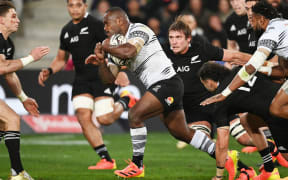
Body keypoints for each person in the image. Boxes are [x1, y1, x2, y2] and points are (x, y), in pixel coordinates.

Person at [85, 7, 244, 180]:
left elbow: (129, 51)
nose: (104, 28)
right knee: (181, 132)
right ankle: (229, 159)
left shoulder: (139, 30)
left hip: (168, 83)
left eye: (106, 23)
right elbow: (108, 79)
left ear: (119, 21)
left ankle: (137, 165)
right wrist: (101, 61)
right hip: (161, 86)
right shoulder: (115, 42)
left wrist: (107, 48)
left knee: (134, 115)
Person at [38, 0, 131, 170]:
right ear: (67, 7)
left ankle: (125, 100)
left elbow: (117, 47)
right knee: (83, 116)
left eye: (78, 5)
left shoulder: (96, 25)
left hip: (101, 76)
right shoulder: (66, 31)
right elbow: (61, 59)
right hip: (81, 79)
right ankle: (106, 160)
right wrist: (49, 71)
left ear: (85, 6)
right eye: (71, 5)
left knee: (104, 119)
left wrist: (122, 70)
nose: (74, 9)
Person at [165, 20, 258, 180]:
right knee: (205, 143)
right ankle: (245, 170)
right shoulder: (164, 54)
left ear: (188, 39)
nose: (173, 41)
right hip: (193, 111)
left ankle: (274, 149)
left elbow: (233, 55)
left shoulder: (201, 48)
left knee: (245, 139)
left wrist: (263, 62)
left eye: (178, 37)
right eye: (171, 37)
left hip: (216, 103)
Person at [198, 62, 288, 179]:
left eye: (203, 84)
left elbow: (222, 144)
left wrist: (219, 176)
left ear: (209, 82)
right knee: (247, 120)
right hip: (284, 96)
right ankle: (269, 168)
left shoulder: (220, 103)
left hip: (278, 115)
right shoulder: (241, 70)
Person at [200, 2, 288, 121]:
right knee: (277, 107)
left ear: (262, 19)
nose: (250, 23)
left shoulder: (268, 35)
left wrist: (224, 93)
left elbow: (251, 67)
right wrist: (259, 68)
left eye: (253, 20)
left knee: (276, 108)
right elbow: (283, 71)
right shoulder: (282, 23)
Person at [0, 1, 49, 180]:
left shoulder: (8, 43)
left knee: (4, 124)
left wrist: (23, 98)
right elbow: (1, 67)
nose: (18, 20)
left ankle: (17, 172)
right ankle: (17, 173)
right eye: (13, 16)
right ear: (0, 20)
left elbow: (9, 74)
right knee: (11, 119)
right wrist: (31, 57)